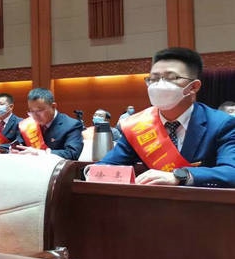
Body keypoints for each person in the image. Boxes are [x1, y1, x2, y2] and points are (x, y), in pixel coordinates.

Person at [99, 47, 235, 187]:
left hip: (204, 200)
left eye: (171, 78)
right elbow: (106, 167)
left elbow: (232, 172)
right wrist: (90, 172)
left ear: (193, 87)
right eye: (153, 79)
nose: (159, 85)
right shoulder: (138, 125)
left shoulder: (222, 124)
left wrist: (181, 176)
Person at [14, 88, 84, 160]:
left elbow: (72, 154)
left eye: (39, 110)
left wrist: (40, 153)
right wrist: (14, 149)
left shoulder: (71, 125)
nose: (35, 116)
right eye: (31, 111)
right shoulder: (28, 125)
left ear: (53, 106)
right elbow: (19, 144)